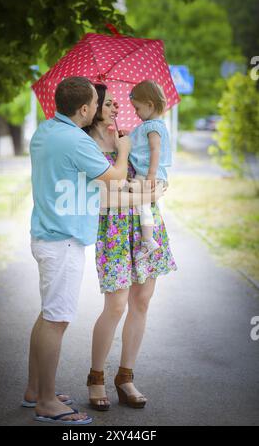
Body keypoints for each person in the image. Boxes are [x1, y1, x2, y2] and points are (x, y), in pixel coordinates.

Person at [23, 76, 131, 425]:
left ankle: (34, 390)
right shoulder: (75, 141)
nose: (99, 109)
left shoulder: (45, 131)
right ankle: (47, 402)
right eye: (96, 105)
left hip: (46, 235)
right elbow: (114, 175)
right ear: (85, 109)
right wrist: (124, 148)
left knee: (46, 316)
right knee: (57, 320)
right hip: (63, 241)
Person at [85, 83, 177, 411]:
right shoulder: (88, 144)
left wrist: (148, 185)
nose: (116, 108)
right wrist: (148, 194)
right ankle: (96, 377)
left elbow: (156, 173)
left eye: (115, 103)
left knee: (142, 301)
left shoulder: (127, 135)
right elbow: (105, 197)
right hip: (113, 228)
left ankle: (125, 377)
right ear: (92, 108)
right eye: (108, 103)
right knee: (116, 305)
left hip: (145, 224)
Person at [128, 80, 172, 261]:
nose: (135, 113)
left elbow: (155, 150)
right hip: (147, 173)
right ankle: (148, 239)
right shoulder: (148, 126)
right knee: (143, 203)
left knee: (141, 202)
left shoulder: (153, 127)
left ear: (150, 105)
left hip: (148, 173)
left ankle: (148, 241)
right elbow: (140, 145)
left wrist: (151, 174)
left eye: (137, 108)